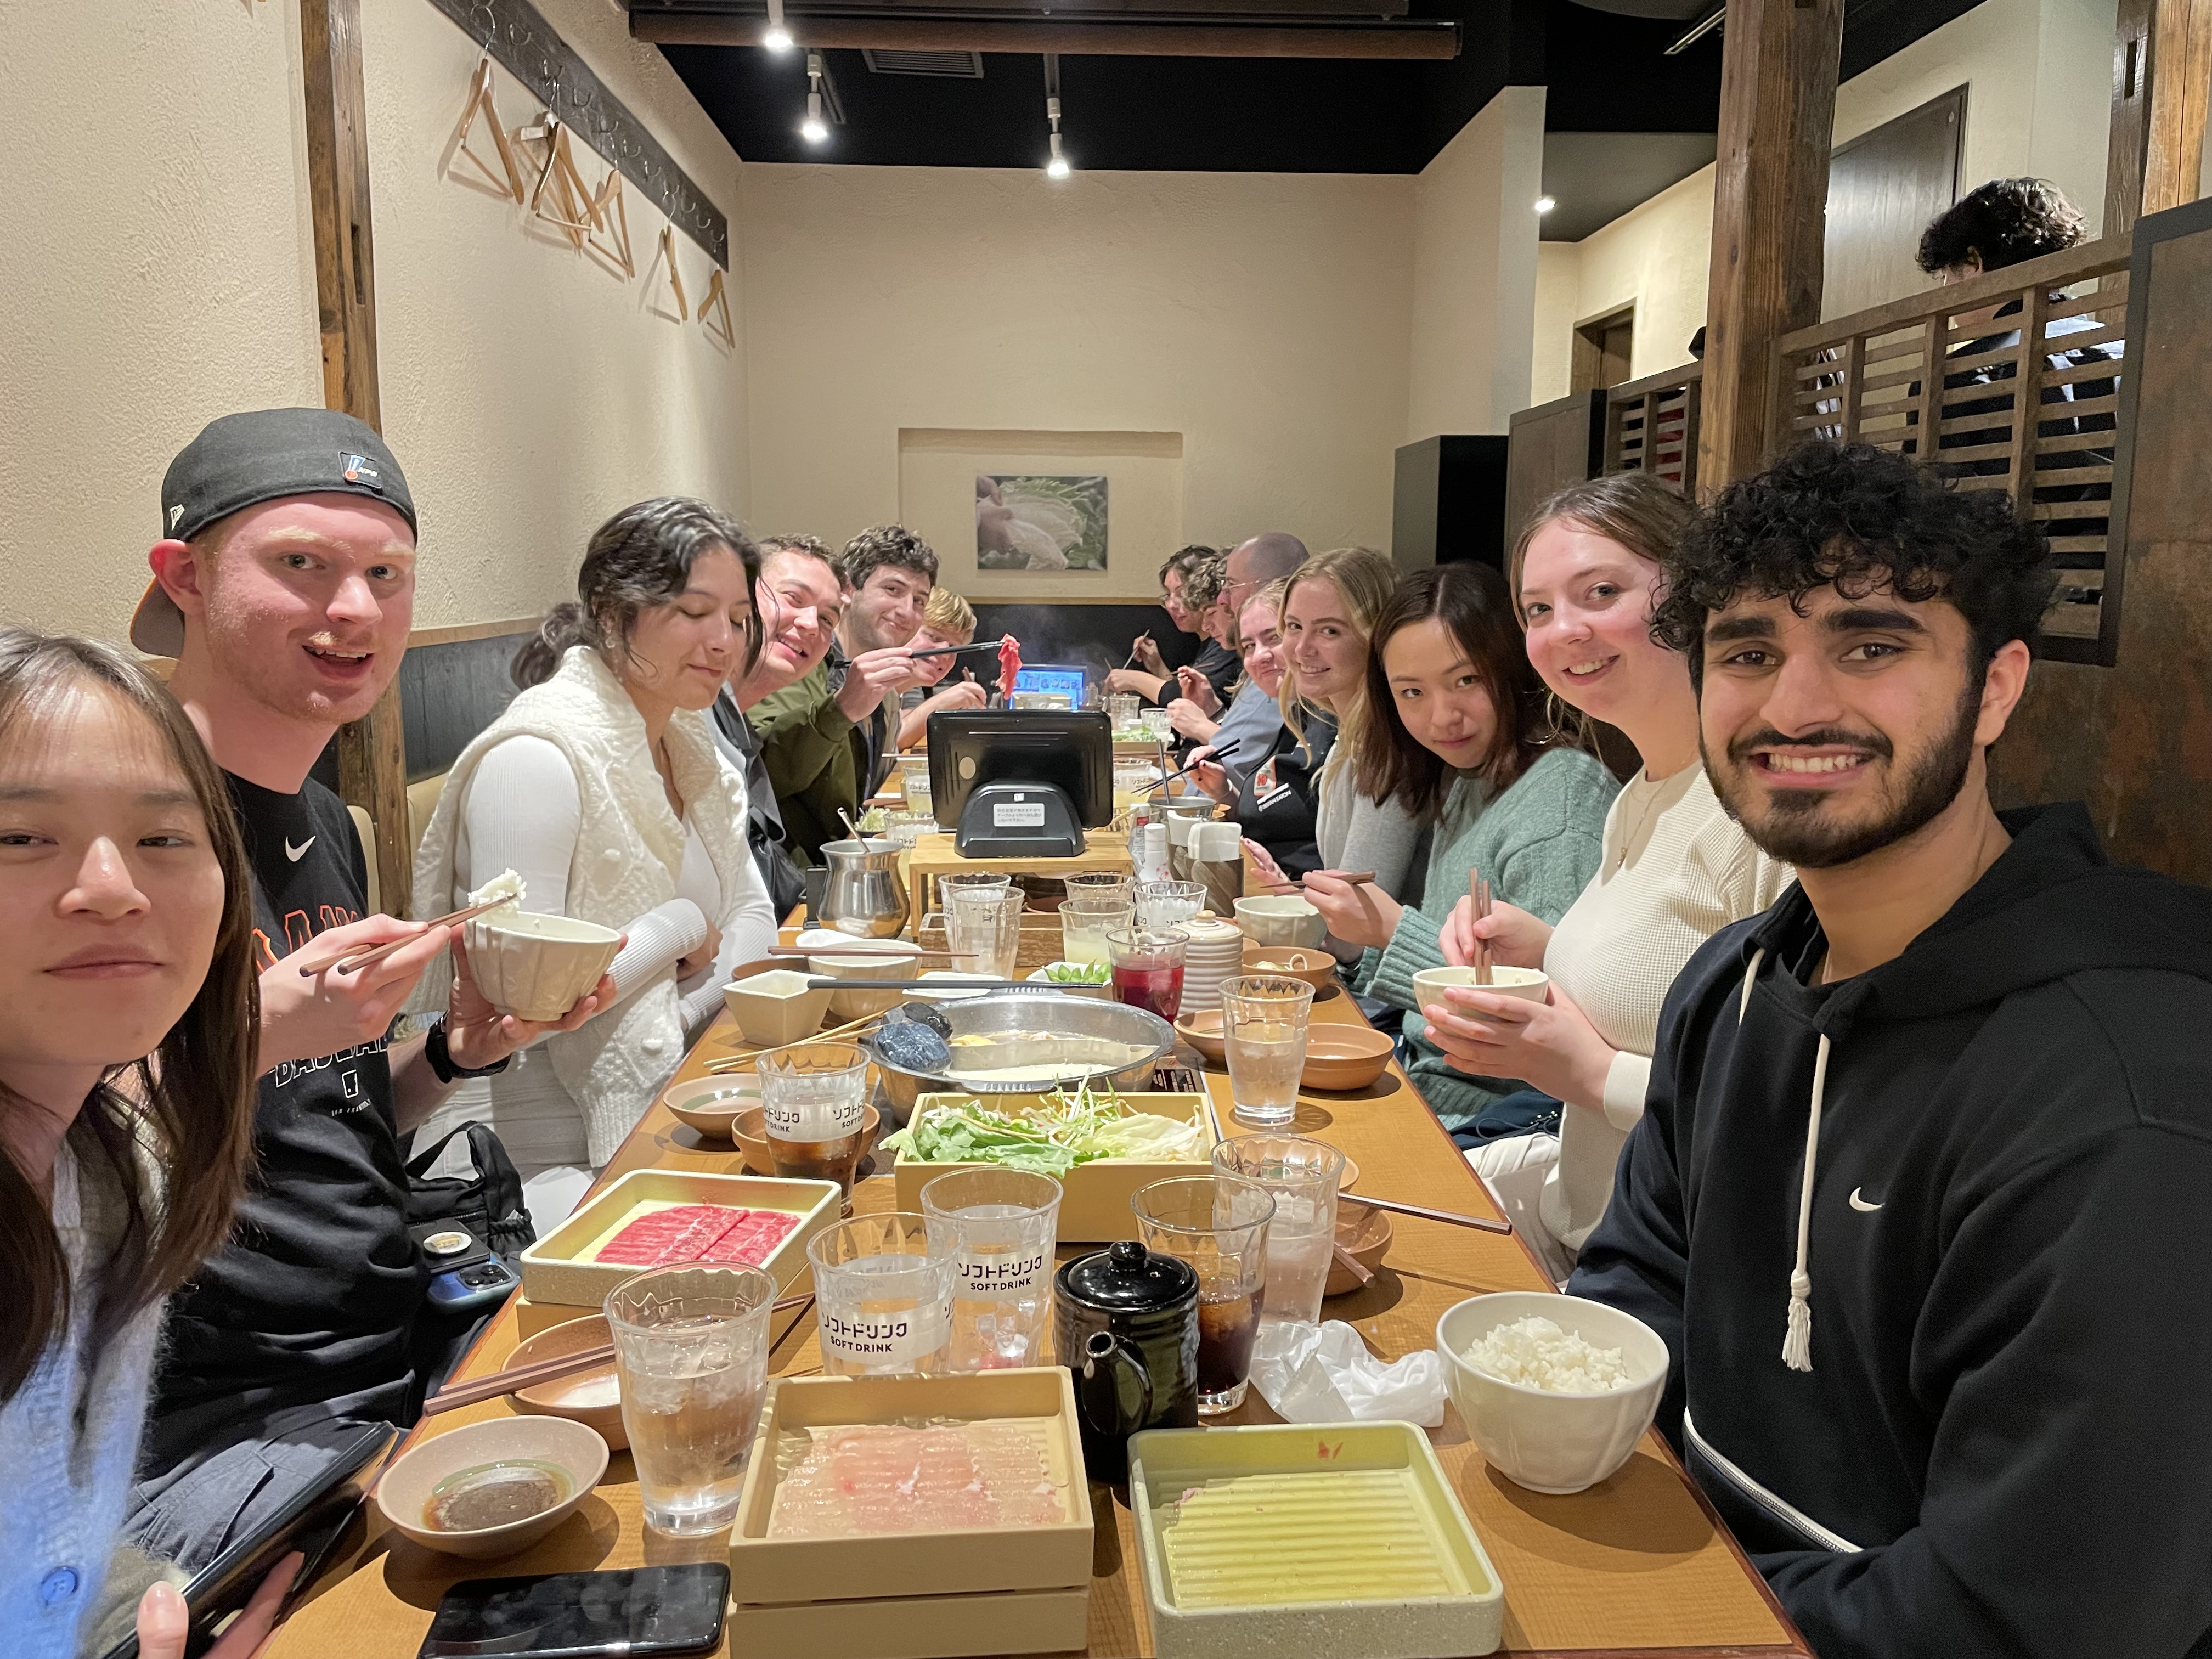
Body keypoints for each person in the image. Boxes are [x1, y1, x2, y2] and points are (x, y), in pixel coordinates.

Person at [1571, 440, 2212, 1658]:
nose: (1796, 706)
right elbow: (1639, 1284)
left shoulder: (2122, 1107)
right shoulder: (1743, 978)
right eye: (1748, 652)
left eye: (1873, 645)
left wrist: (1663, 1617)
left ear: (1999, 687)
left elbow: (2033, 1624)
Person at [128, 410, 613, 1566]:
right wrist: (247, 1035)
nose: (353, 609)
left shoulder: (326, 824)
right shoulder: (115, 832)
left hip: (392, 1348)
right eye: (301, 564)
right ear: (183, 578)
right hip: (219, 1426)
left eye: (384, 575)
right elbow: (58, 1152)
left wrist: (455, 1053)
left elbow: (330, 1117)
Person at [1423, 473, 1792, 1277]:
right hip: (1578, 1210)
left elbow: (1799, 1113)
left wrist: (1589, 1073)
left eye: (1601, 591)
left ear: (1697, 593)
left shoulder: (1767, 812)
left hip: (1667, 1271)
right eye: (1540, 610)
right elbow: (1668, 975)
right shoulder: (1642, 791)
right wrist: (1542, 947)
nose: (1566, 631)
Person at [0, 631, 269, 1657]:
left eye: (165, 840)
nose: (112, 886)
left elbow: (56, 1552)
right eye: (19, 837)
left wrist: (152, 1611)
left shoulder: (109, 1175)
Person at [411, 498, 777, 1215]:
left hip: (683, 1096)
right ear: (613, 614)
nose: (724, 640)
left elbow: (755, 918)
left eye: (737, 619)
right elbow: (538, 998)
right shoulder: (535, 758)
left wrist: (681, 1003)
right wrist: (677, 927)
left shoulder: (691, 744)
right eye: (693, 612)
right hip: (532, 1166)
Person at [1312, 564, 1616, 1138]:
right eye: (1412, 693)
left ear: (1510, 668)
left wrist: (1391, 929)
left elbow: (1550, 1014)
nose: (1441, 717)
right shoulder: (1466, 779)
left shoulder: (1563, 795)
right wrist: (1363, 946)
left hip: (1493, 1121)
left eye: (1466, 681)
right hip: (1422, 1078)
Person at [1242, 548, 1424, 958]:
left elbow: (1352, 939)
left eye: (1330, 632)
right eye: (1293, 626)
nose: (1302, 648)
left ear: (1376, 636)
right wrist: (1291, 892)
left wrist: (1294, 913)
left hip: (1386, 1002)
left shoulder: (1390, 745)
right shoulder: (1349, 736)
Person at [750, 525, 936, 862]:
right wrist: (842, 709)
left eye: (919, 601)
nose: (908, 611)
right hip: (791, 883)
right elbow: (760, 775)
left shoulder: (885, 691)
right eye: (893, 589)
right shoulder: (796, 662)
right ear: (849, 588)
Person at [711, 535, 844, 921]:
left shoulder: (736, 728)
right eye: (793, 599)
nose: (808, 625)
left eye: (826, 619)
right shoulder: (688, 722)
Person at [1190, 580, 1331, 878]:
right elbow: (1273, 818)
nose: (1259, 657)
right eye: (1249, 646)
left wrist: (1290, 889)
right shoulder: (1294, 715)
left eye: (1274, 638)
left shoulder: (1335, 726)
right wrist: (1223, 793)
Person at [1175, 532, 1306, 775]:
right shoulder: (1261, 668)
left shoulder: (1277, 671)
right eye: (1250, 646)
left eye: (1231, 587)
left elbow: (1238, 760)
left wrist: (1199, 725)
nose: (1225, 598)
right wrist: (1214, 712)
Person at [1105, 545, 1214, 703]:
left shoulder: (1226, 647)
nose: (1171, 605)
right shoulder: (1206, 643)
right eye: (1168, 595)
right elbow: (1186, 696)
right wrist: (1157, 668)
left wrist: (1133, 680)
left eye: (1181, 593)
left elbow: (1189, 702)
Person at [896, 585, 988, 749]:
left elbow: (900, 728)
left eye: (954, 647)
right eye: (933, 637)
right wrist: (940, 705)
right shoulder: (870, 675)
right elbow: (889, 744)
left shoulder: (909, 682)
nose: (945, 654)